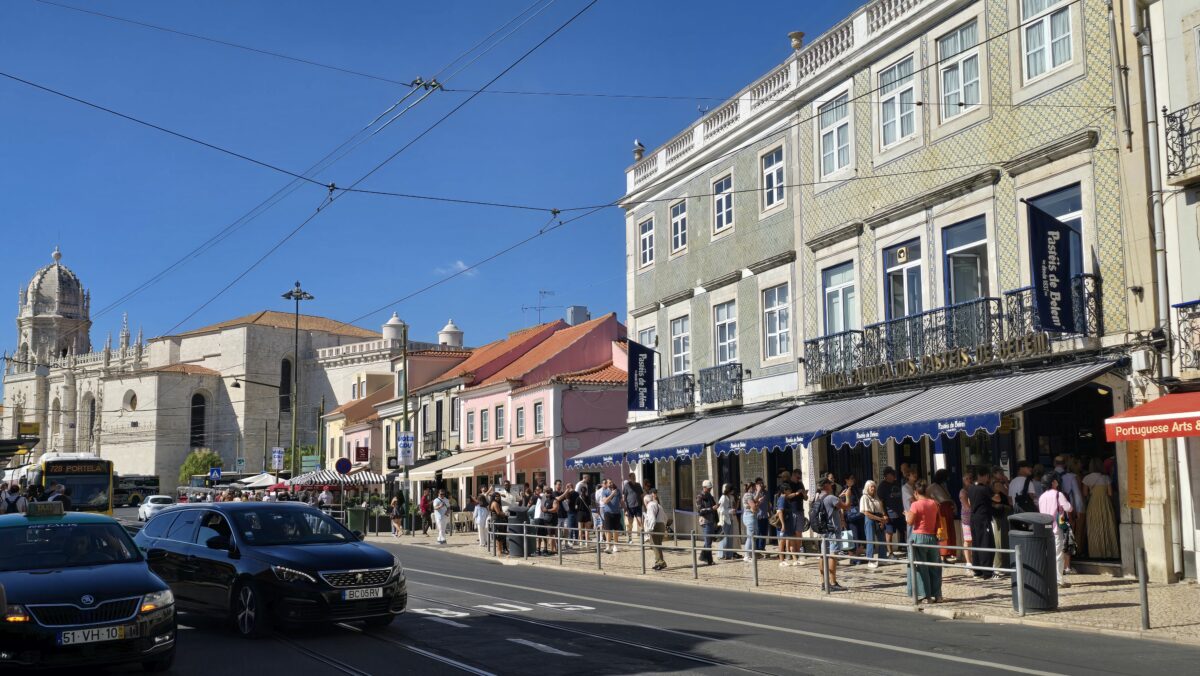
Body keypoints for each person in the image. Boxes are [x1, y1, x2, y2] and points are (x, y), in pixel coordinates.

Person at [905, 479, 943, 603]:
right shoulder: (934, 503)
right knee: (934, 567)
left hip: (919, 537)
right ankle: (937, 595)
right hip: (932, 537)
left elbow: (910, 522)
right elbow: (937, 521)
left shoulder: (915, 505)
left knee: (920, 567)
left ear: (916, 492)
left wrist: (906, 514)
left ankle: (923, 595)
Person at [1039, 472, 1074, 587]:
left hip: (1045, 529)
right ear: (1052, 482)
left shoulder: (1042, 497)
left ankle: (1049, 579)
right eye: (1055, 480)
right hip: (1056, 528)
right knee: (1058, 555)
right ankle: (1058, 581)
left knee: (1048, 555)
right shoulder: (1058, 494)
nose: (1057, 482)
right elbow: (1069, 508)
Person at [1083, 458, 1118, 559]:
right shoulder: (1106, 478)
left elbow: (1085, 494)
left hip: (1093, 504)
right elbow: (1110, 494)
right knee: (1107, 526)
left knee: (1094, 527)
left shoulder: (1087, 478)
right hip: (1105, 504)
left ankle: (1095, 553)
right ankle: (1109, 552)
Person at [816, 478, 847, 591]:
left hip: (822, 530)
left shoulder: (818, 497)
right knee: (833, 555)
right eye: (830, 483)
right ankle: (833, 582)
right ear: (826, 485)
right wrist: (847, 496)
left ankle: (823, 582)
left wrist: (839, 497)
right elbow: (846, 506)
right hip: (833, 531)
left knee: (822, 555)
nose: (832, 485)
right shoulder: (831, 498)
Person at [967, 468, 999, 578]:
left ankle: (977, 570)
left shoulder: (970, 488)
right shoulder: (985, 489)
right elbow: (997, 498)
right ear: (984, 476)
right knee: (987, 543)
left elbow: (969, 502)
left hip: (974, 517)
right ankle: (987, 572)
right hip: (983, 518)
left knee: (976, 543)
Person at [929, 469, 957, 562]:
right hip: (942, 510)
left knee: (948, 531)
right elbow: (929, 497)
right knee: (943, 531)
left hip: (947, 509)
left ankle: (947, 553)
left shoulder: (943, 485)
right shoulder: (932, 487)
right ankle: (942, 555)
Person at [859, 480, 887, 567]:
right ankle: (870, 560)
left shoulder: (877, 497)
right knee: (870, 539)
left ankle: (882, 558)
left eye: (874, 486)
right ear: (867, 488)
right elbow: (866, 513)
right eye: (871, 486)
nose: (873, 488)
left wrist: (884, 517)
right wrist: (880, 519)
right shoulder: (864, 497)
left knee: (882, 539)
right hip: (870, 519)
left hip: (879, 518)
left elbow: (882, 510)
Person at [878, 467, 905, 557]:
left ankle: (906, 549)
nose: (893, 476)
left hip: (900, 513)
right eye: (891, 475)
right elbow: (881, 502)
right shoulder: (882, 486)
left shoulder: (897, 483)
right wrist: (884, 514)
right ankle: (890, 552)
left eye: (893, 475)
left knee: (904, 531)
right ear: (886, 476)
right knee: (889, 534)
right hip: (890, 515)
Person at [840, 474, 864, 562]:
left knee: (860, 537)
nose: (853, 480)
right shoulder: (844, 491)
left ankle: (857, 557)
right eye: (851, 478)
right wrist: (842, 520)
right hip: (849, 517)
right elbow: (842, 507)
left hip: (859, 516)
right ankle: (853, 558)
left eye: (854, 478)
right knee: (852, 537)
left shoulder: (856, 489)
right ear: (846, 480)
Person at [695, 479, 717, 565]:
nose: (710, 489)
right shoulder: (699, 497)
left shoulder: (710, 496)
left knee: (709, 540)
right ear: (704, 488)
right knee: (708, 542)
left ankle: (702, 556)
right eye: (708, 488)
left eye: (710, 488)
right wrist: (711, 508)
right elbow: (700, 510)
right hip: (705, 521)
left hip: (711, 520)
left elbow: (713, 506)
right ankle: (709, 560)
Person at [598, 479, 622, 553]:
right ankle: (608, 546)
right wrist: (612, 494)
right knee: (608, 530)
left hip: (617, 513)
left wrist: (624, 508)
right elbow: (605, 501)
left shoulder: (617, 490)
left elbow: (620, 500)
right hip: (608, 513)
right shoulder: (604, 492)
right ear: (607, 484)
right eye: (609, 482)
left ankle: (615, 545)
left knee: (616, 530)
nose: (611, 483)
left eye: (612, 482)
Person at [645, 488, 667, 570]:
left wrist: (650, 529)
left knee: (654, 545)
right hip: (661, 525)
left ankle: (660, 562)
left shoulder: (650, 505)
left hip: (655, 526)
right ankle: (659, 562)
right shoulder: (658, 505)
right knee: (658, 545)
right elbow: (665, 517)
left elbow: (652, 519)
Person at [717, 483, 738, 561]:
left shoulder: (731, 497)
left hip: (730, 519)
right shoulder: (723, 498)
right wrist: (730, 511)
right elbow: (720, 509)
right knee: (724, 537)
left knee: (730, 537)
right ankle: (722, 554)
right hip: (724, 519)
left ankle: (729, 554)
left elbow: (732, 506)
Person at [958, 469, 975, 567]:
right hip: (967, 517)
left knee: (975, 538)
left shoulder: (973, 489)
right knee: (968, 539)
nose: (969, 480)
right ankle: (968, 562)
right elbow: (967, 505)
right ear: (964, 480)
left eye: (970, 478)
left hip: (974, 515)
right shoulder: (963, 492)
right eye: (967, 479)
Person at [621, 472, 644, 542]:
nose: (634, 477)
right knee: (629, 524)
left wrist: (643, 504)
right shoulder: (627, 485)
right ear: (630, 478)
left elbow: (641, 495)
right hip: (630, 507)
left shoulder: (638, 485)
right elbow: (624, 497)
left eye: (634, 476)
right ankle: (630, 538)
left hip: (638, 506)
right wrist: (625, 508)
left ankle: (642, 538)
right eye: (632, 476)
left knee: (640, 522)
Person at [741, 481, 761, 559]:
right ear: (749, 488)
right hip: (749, 516)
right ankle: (747, 556)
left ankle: (751, 554)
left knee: (753, 536)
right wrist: (758, 491)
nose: (754, 488)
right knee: (751, 536)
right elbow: (753, 506)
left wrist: (757, 502)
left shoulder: (750, 495)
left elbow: (754, 502)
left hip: (751, 516)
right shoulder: (748, 495)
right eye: (753, 487)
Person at [489, 492, 508, 556]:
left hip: (498, 520)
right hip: (497, 520)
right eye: (496, 496)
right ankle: (499, 551)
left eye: (499, 496)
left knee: (500, 536)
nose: (498, 497)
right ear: (494, 497)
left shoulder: (496, 503)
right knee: (498, 537)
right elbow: (498, 513)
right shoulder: (495, 503)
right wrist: (505, 514)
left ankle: (500, 550)